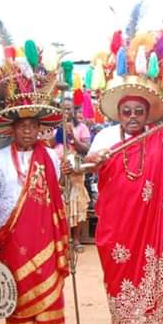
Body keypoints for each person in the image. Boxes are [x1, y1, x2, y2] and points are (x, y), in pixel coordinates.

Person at [82, 72, 163, 324]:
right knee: (115, 272)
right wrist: (94, 159)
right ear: (119, 113)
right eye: (127, 111)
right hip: (114, 220)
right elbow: (87, 167)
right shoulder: (106, 136)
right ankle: (117, 323)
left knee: (146, 270)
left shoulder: (160, 138)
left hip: (147, 221)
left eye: (139, 111)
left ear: (147, 114)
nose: (133, 116)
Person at [0, 53, 70, 324]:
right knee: (17, 279)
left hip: (42, 229)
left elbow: (56, 192)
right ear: (12, 129)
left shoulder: (50, 156)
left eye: (32, 126)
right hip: (10, 230)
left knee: (45, 273)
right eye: (21, 126)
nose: (27, 131)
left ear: (39, 129)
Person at [58, 96, 91, 253]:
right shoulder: (53, 126)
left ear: (73, 110)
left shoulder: (81, 128)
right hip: (58, 169)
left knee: (76, 202)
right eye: (63, 108)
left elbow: (86, 149)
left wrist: (73, 138)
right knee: (60, 203)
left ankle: (76, 240)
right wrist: (59, 132)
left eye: (68, 108)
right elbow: (49, 144)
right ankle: (63, 240)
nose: (66, 111)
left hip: (76, 170)